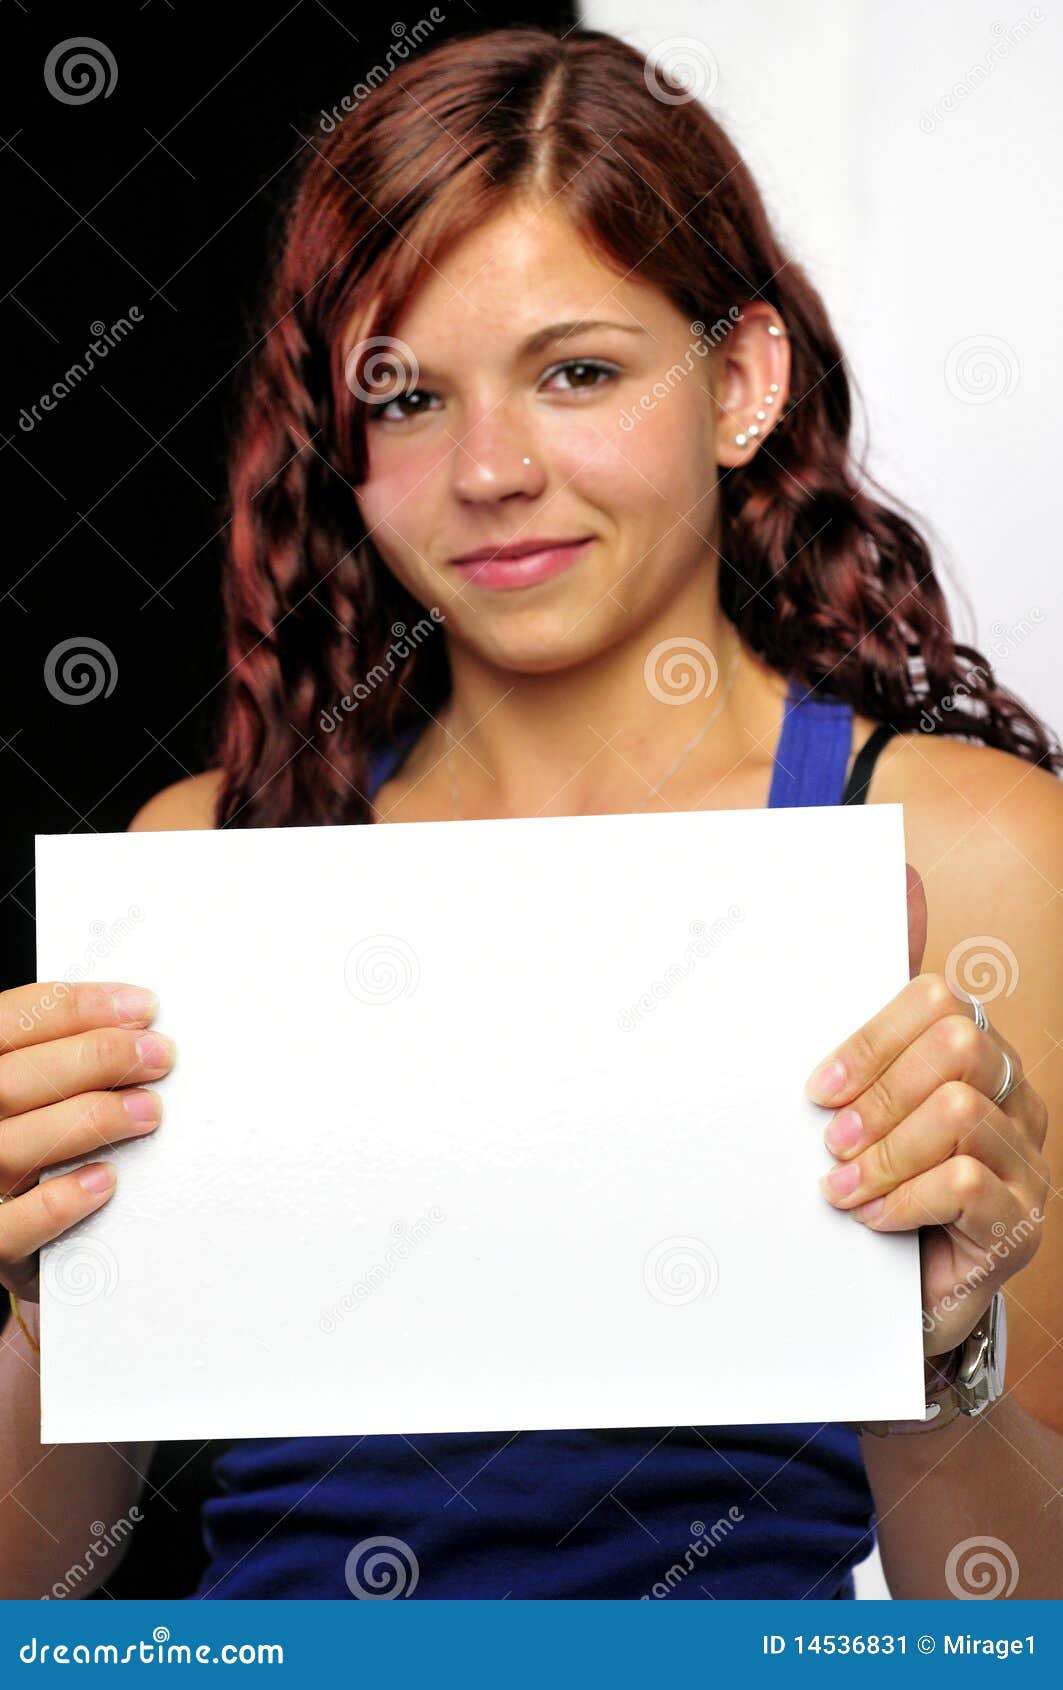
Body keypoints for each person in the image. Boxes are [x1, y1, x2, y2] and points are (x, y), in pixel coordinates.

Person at [2, 24, 1059, 1601]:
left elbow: (1025, 1621)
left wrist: (937, 1358)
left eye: (577, 372)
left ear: (740, 382)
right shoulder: (204, 864)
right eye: (406, 395)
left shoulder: (964, 849)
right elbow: (27, 1602)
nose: (489, 468)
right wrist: (43, 1310)